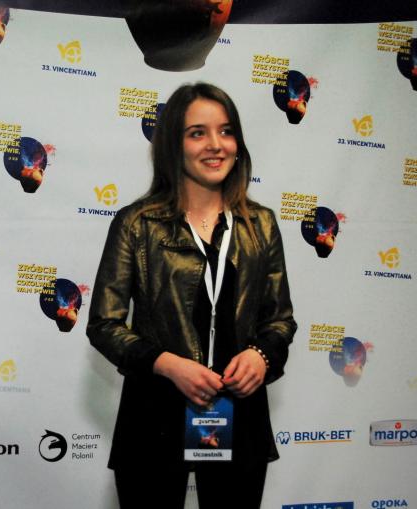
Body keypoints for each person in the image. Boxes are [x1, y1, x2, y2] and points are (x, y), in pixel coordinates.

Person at [87, 82, 296, 508]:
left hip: (240, 414)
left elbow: (280, 320)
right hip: (154, 416)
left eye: (226, 131)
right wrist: (167, 365)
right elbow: (104, 325)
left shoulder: (261, 224)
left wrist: (261, 355)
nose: (216, 145)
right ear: (172, 145)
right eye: (197, 132)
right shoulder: (137, 224)